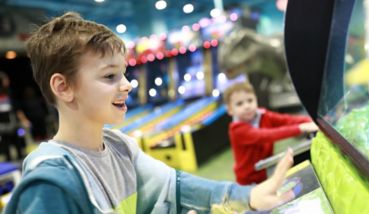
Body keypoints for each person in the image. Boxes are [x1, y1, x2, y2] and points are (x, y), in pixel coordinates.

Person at [5, 12, 297, 213]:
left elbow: (178, 187)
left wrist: (247, 196)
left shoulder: (120, 147)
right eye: (109, 77)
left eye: (125, 73)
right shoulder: (51, 184)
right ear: (63, 87)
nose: (128, 84)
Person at [223, 82, 319, 185]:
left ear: (256, 99)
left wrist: (313, 120)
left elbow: (286, 120)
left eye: (250, 100)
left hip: (267, 172)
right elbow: (265, 135)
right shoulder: (237, 130)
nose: (247, 106)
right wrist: (301, 128)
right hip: (249, 181)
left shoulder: (263, 115)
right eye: (239, 104)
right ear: (230, 110)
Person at [0, 71, 30, 161]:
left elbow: (17, 109)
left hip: (13, 123)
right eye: (5, 79)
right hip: (2, 126)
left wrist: (24, 120)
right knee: (5, 146)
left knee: (18, 142)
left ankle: (21, 158)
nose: (7, 81)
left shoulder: (9, 93)